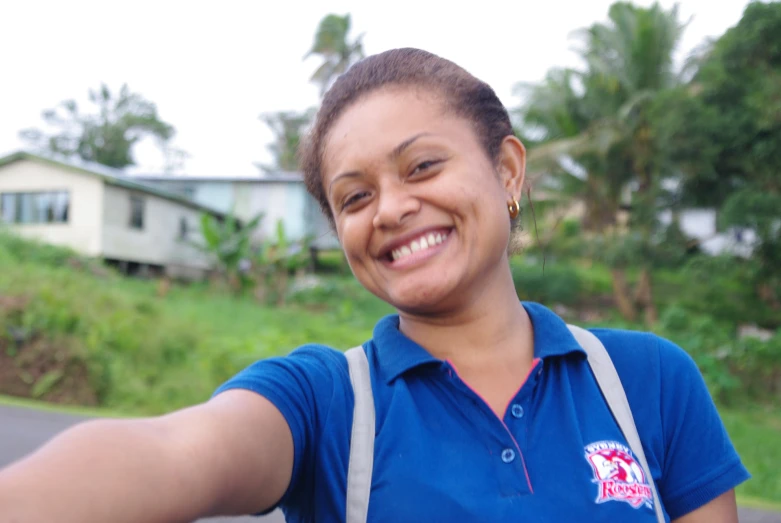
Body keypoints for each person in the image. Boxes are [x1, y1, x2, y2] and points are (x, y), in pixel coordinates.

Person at [0, 48, 749, 523]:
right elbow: (174, 453)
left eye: (422, 167)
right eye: (354, 197)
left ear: (508, 171)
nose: (390, 208)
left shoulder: (647, 380)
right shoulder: (324, 401)